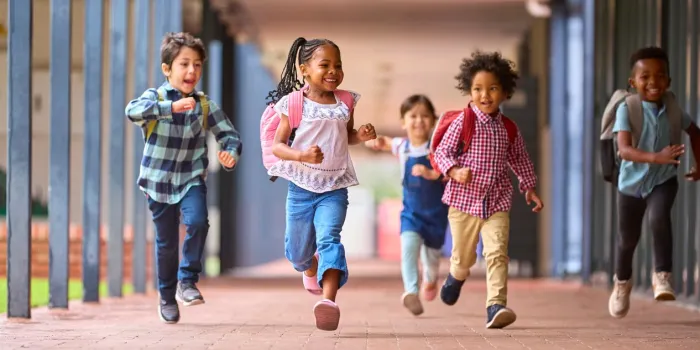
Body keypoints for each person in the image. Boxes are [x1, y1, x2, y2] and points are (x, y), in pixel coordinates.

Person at [125, 32, 242, 324]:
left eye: (198, 65)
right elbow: (132, 111)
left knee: (198, 221)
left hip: (191, 178)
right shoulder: (156, 97)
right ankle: (166, 297)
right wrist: (170, 109)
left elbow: (230, 136)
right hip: (158, 182)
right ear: (167, 69)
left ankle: (187, 281)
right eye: (184, 64)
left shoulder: (204, 105)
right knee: (166, 244)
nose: (192, 71)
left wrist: (230, 154)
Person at [266, 37, 376, 331]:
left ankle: (329, 302)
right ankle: (309, 266)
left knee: (330, 238)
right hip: (301, 187)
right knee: (297, 252)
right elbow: (278, 146)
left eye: (338, 66)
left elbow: (346, 136)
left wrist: (361, 137)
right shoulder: (293, 104)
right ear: (304, 69)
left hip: (334, 187)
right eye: (324, 65)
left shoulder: (346, 102)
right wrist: (301, 154)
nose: (333, 71)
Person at [433, 51, 543, 329]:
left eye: (492, 88)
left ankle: (496, 305)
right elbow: (443, 152)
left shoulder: (509, 128)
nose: (485, 95)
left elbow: (519, 158)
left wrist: (528, 187)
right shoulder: (464, 121)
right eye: (478, 89)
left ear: (505, 92)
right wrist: (455, 171)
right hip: (463, 202)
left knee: (496, 253)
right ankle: (456, 275)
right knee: (464, 257)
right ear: (469, 92)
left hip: (497, 201)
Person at [608, 46, 700, 318]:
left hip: (664, 180)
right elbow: (624, 150)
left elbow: (695, 132)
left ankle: (662, 275)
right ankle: (622, 283)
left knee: (659, 218)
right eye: (645, 76)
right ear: (632, 82)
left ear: (669, 81)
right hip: (631, 185)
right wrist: (656, 157)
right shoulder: (628, 109)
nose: (653, 82)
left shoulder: (672, 109)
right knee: (628, 240)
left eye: (660, 76)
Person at [368, 94, 448, 316]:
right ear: (403, 121)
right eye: (413, 116)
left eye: (424, 116)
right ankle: (411, 291)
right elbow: (384, 142)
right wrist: (374, 140)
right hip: (411, 214)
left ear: (433, 121)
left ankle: (430, 280)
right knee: (408, 250)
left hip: (436, 215)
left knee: (431, 260)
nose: (418, 121)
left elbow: (447, 172)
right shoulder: (402, 146)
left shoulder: (438, 149)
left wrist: (431, 173)